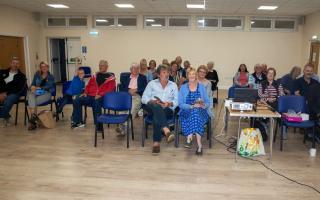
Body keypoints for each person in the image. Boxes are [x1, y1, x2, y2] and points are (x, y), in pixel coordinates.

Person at [141, 65, 178, 154]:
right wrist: (152, 101)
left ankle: (156, 143)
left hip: (167, 109)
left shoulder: (173, 85)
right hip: (152, 107)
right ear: (158, 74)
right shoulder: (151, 84)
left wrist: (169, 103)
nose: (166, 74)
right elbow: (143, 98)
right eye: (164, 72)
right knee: (156, 106)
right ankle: (166, 129)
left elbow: (177, 101)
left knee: (157, 115)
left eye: (167, 72)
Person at [71, 60, 116, 131]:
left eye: (102, 65)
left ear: (107, 67)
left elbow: (110, 89)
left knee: (96, 101)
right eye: (99, 65)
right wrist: (85, 92)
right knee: (77, 98)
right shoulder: (94, 76)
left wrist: (100, 95)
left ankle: (98, 126)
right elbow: (88, 85)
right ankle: (78, 121)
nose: (100, 67)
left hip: (102, 97)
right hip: (90, 95)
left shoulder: (111, 77)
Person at [179, 67, 211, 155]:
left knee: (196, 112)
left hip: (201, 111)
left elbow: (208, 102)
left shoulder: (201, 87)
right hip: (186, 111)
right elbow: (180, 104)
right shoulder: (183, 87)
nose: (192, 76)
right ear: (187, 76)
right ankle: (199, 145)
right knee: (194, 112)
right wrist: (191, 106)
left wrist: (203, 104)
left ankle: (189, 137)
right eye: (190, 74)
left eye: (193, 74)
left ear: (196, 76)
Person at [117, 62, 147, 135]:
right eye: (134, 68)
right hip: (126, 96)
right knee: (122, 110)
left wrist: (136, 90)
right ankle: (122, 127)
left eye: (137, 68)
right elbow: (121, 87)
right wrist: (128, 90)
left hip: (136, 96)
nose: (136, 70)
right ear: (130, 69)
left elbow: (145, 88)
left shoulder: (142, 77)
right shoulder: (125, 77)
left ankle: (124, 126)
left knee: (132, 109)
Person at [27, 61, 55, 130]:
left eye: (45, 66)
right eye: (42, 66)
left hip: (46, 93)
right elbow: (32, 83)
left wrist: (39, 88)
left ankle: (32, 122)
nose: (43, 68)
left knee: (32, 101)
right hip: (36, 93)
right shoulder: (37, 74)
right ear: (40, 68)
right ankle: (33, 117)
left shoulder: (51, 77)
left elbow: (49, 86)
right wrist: (32, 87)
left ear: (48, 67)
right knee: (31, 95)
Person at [0, 57, 26, 127]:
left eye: (17, 63)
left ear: (19, 65)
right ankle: (6, 116)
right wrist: (1, 93)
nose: (15, 65)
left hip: (15, 94)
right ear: (10, 64)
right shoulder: (2, 72)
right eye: (13, 63)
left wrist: (6, 94)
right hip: (1, 92)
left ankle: (2, 117)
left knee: (8, 100)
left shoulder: (21, 76)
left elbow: (18, 88)